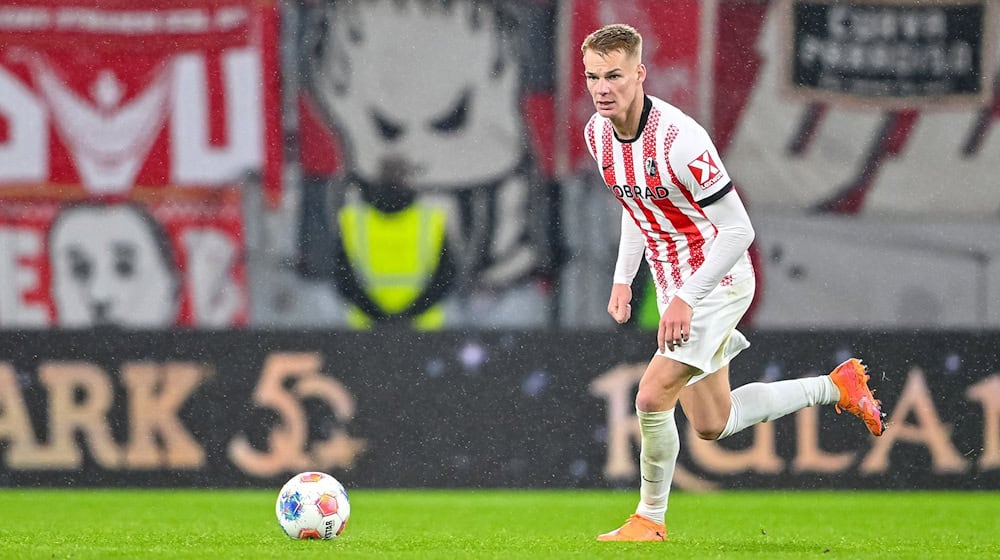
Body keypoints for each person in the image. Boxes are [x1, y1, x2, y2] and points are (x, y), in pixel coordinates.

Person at [580, 23, 886, 542]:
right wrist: (623, 279)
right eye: (592, 77)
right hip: (675, 280)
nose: (602, 88)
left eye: (614, 76)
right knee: (713, 422)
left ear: (640, 74)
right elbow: (636, 203)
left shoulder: (680, 140)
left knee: (652, 396)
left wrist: (683, 298)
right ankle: (836, 386)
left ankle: (648, 520)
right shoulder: (597, 135)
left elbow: (738, 230)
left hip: (716, 278)